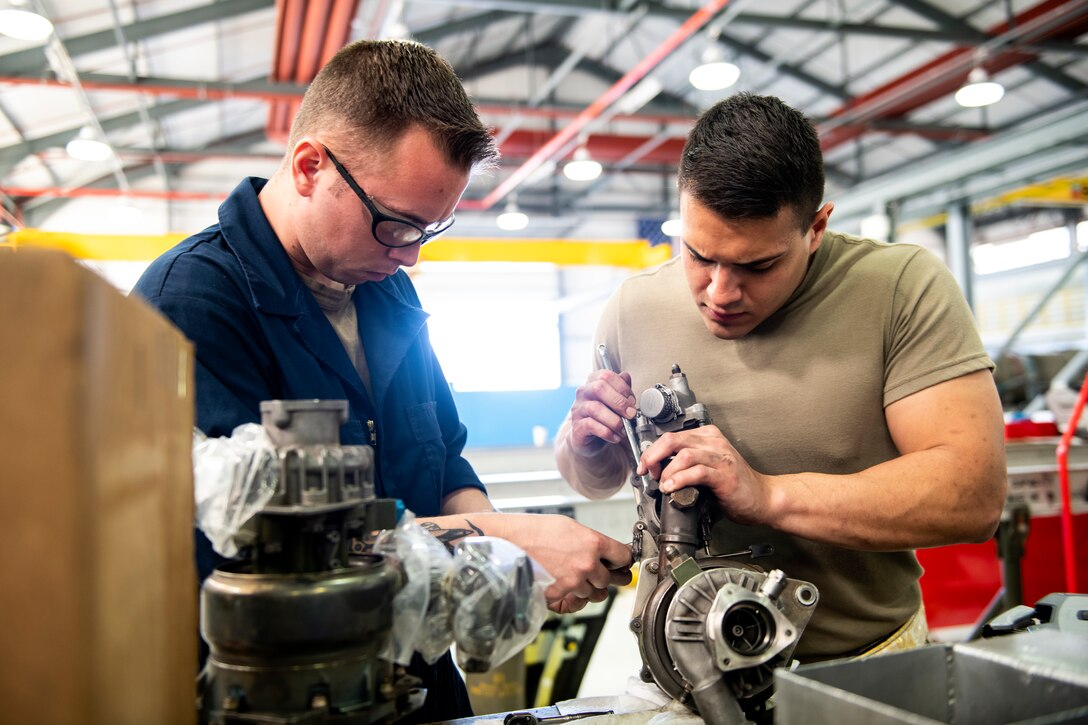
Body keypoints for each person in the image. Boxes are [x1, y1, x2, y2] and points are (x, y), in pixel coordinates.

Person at [134, 39, 631, 722]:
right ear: (309, 166)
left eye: (431, 229)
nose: (410, 255)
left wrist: (492, 558)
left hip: (418, 689)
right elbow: (264, 549)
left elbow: (443, 456)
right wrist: (503, 536)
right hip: (293, 698)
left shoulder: (387, 293)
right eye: (396, 223)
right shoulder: (191, 305)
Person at [555, 92, 1007, 664]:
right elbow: (594, 480)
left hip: (860, 665)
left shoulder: (899, 288)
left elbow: (972, 496)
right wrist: (585, 444)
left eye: (758, 265)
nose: (718, 293)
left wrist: (769, 494)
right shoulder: (632, 307)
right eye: (698, 253)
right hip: (680, 674)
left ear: (815, 228)